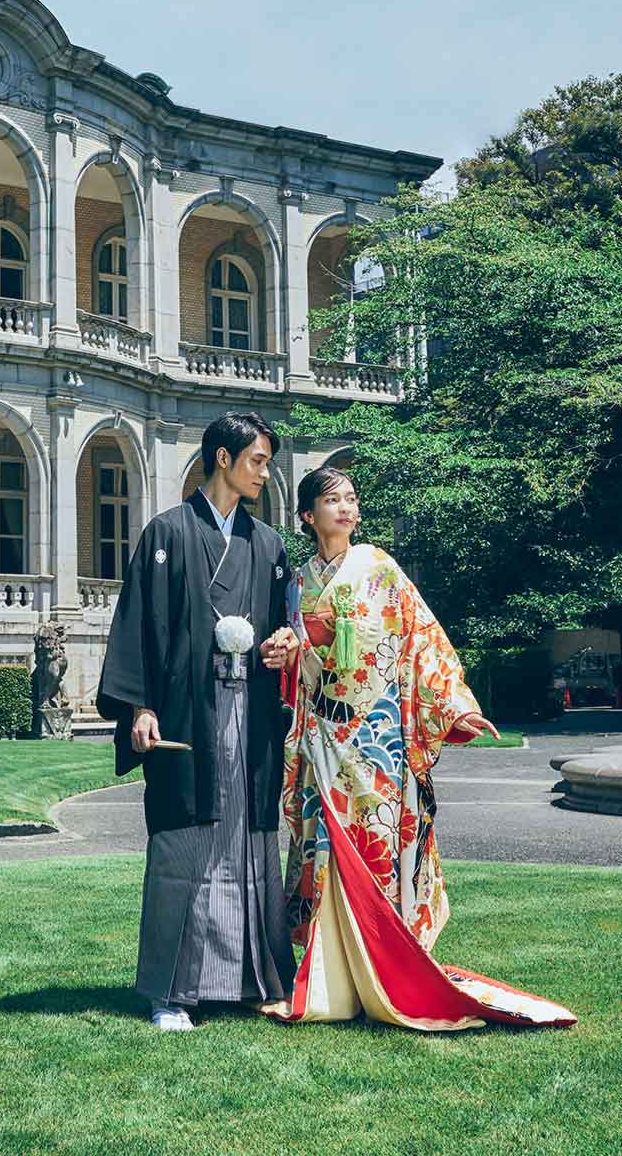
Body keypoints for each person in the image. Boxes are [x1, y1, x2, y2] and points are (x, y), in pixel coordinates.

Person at [271, 466, 575, 1030]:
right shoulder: (297, 582)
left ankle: (387, 973)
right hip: (324, 735)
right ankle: (333, 982)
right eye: (333, 500)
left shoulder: (379, 567)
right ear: (308, 515)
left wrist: (457, 705)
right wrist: (288, 651)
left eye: (352, 498)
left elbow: (423, 638)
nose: (347, 508)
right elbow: (302, 659)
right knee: (327, 850)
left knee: (377, 846)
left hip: (377, 735)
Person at [96, 411, 297, 1031]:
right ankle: (172, 991)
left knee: (248, 838)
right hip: (187, 712)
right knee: (184, 840)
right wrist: (141, 706)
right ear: (223, 459)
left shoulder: (268, 545)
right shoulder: (166, 533)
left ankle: (251, 980)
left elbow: (287, 624)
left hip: (252, 714)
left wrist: (284, 646)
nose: (264, 473)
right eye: (257, 461)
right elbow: (140, 625)